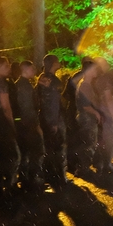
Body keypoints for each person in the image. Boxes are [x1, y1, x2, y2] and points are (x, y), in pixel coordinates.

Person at [0, 57, 20, 202]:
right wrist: (12, 125)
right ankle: (11, 186)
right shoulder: (2, 85)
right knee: (13, 156)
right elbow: (6, 107)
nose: (8, 68)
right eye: (6, 66)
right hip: (3, 125)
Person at [37, 55, 67, 189]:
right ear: (54, 63)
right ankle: (59, 178)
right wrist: (54, 122)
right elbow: (53, 103)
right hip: (53, 118)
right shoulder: (53, 81)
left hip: (44, 117)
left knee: (48, 148)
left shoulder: (42, 78)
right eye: (57, 61)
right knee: (57, 148)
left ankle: (49, 176)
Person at [15, 60, 45, 191]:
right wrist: (36, 126)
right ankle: (32, 179)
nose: (34, 72)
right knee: (36, 151)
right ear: (25, 70)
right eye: (32, 69)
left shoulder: (20, 84)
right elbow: (28, 109)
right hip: (29, 125)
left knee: (25, 153)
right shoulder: (25, 86)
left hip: (22, 124)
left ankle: (25, 178)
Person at [61, 56, 93, 172]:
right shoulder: (84, 78)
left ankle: (73, 164)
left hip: (73, 111)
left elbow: (64, 95)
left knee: (75, 139)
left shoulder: (75, 76)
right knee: (79, 139)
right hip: (78, 112)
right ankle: (78, 165)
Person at [92, 57, 113, 180]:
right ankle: (107, 164)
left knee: (103, 139)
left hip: (100, 111)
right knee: (111, 139)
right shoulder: (106, 79)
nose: (107, 64)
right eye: (105, 63)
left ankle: (101, 163)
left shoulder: (96, 80)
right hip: (107, 112)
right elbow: (109, 98)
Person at [75, 61, 102, 179]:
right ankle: (84, 169)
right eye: (94, 69)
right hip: (87, 118)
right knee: (89, 144)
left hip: (85, 117)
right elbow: (86, 105)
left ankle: (83, 168)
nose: (97, 71)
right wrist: (95, 112)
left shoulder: (85, 84)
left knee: (87, 143)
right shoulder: (85, 85)